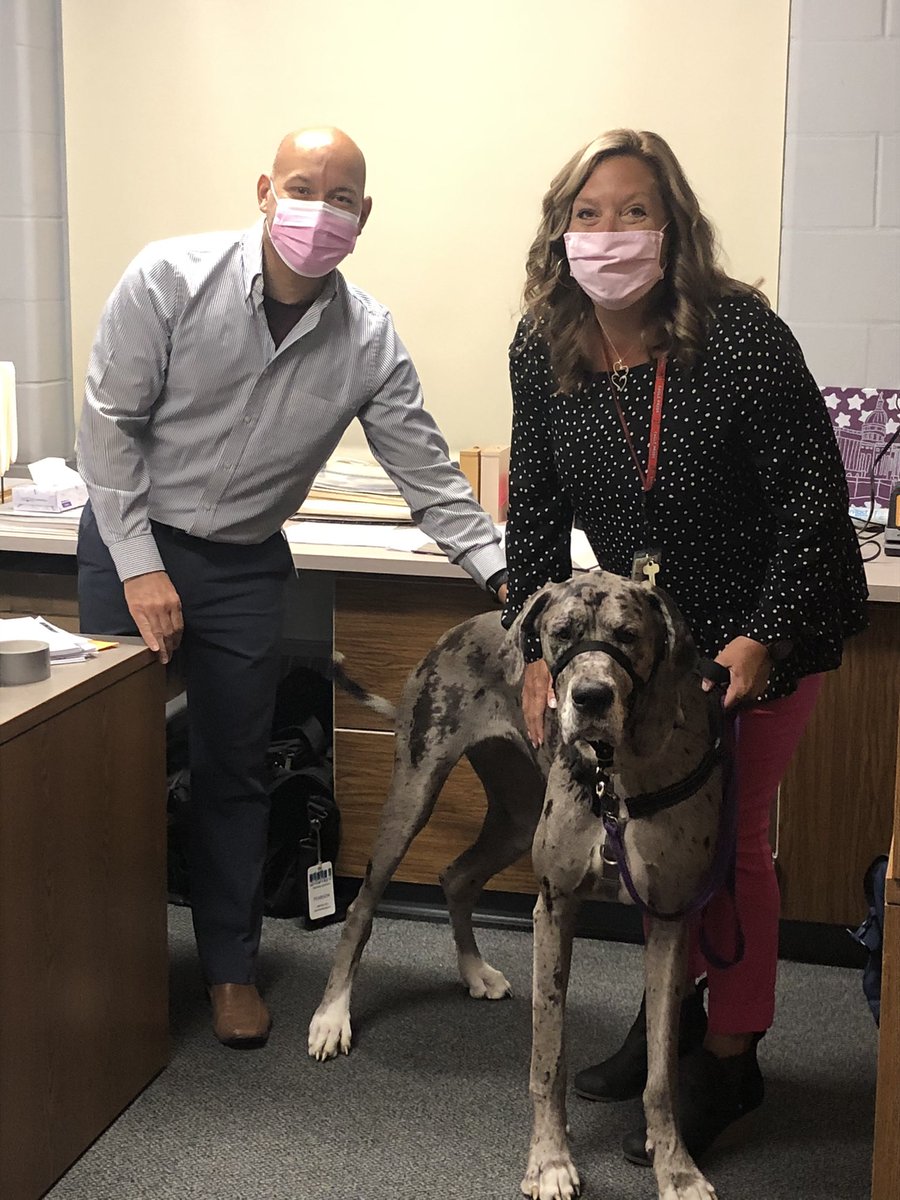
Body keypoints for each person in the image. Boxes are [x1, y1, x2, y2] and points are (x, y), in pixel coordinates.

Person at [76, 126, 508, 1049]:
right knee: (107, 770)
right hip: (130, 541)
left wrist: (513, 578)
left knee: (235, 770)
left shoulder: (369, 339)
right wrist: (141, 566)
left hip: (243, 567)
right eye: (304, 187)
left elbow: (427, 477)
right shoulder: (168, 279)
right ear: (265, 190)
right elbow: (108, 425)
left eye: (342, 196)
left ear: (364, 217)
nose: (321, 209)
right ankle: (99, 969)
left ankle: (230, 969)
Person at [500, 128, 867, 1164]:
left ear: (676, 228)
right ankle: (678, 1019)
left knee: (729, 839)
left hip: (760, 623)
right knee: (650, 839)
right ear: (559, 231)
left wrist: (761, 637)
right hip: (644, 645)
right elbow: (531, 509)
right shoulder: (544, 345)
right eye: (588, 214)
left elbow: (811, 504)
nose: (610, 234)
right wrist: (529, 646)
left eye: (634, 212)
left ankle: (733, 1051)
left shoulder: (739, 336)